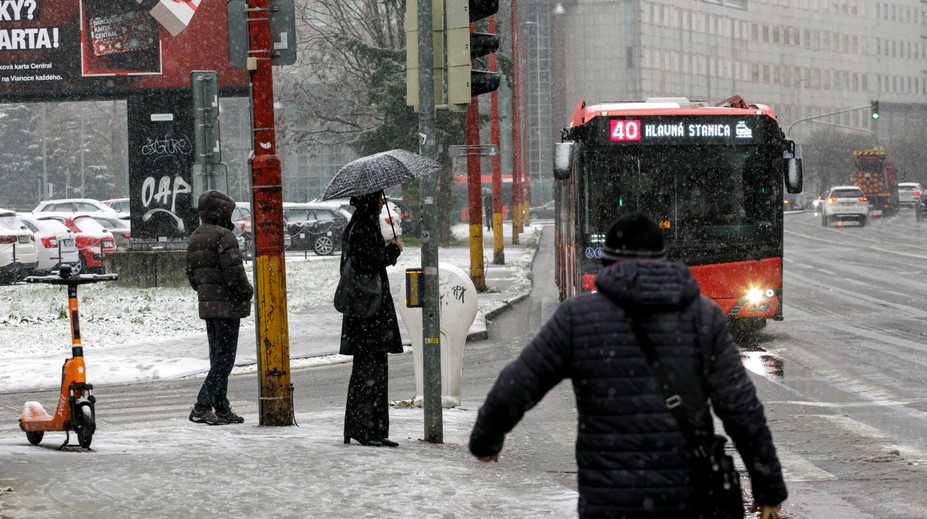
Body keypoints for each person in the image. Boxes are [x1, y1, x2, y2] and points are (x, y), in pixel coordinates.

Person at [469, 212, 787, 518]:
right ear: (664, 259)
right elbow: (741, 409)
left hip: (609, 499)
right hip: (688, 497)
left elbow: (519, 382)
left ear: (607, 262)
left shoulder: (577, 318)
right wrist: (768, 486)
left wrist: (487, 439)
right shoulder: (703, 317)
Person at [340, 190, 404, 447]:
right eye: (378, 199)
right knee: (369, 370)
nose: (381, 204)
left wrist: (387, 249)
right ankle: (364, 429)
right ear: (369, 202)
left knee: (374, 369)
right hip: (368, 310)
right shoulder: (362, 228)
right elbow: (369, 262)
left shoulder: (361, 224)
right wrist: (393, 251)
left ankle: (374, 429)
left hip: (368, 308)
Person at [185, 190, 254, 426]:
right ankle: (202, 405)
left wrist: (206, 291)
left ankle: (222, 406)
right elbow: (235, 274)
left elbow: (192, 275)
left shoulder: (196, 236)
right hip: (227, 307)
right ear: (222, 212)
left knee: (217, 358)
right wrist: (247, 292)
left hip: (209, 305)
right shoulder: (224, 237)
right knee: (224, 361)